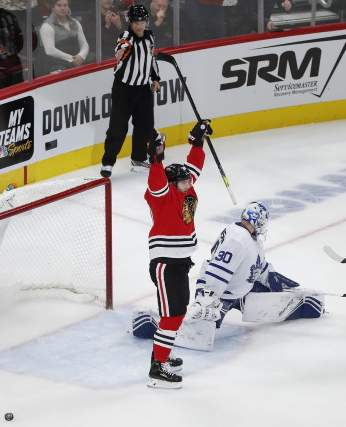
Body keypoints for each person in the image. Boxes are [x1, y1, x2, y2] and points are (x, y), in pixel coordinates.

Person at [132, 202, 327, 356]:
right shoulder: (237, 239)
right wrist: (207, 298)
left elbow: (255, 266)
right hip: (221, 294)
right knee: (201, 336)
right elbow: (218, 270)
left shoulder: (252, 238)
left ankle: (304, 304)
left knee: (273, 300)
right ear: (258, 220)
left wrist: (271, 277)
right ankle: (151, 321)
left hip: (242, 289)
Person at [143, 120, 212, 389]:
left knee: (177, 312)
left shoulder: (187, 187)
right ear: (172, 183)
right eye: (182, 181)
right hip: (165, 264)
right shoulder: (161, 195)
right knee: (172, 316)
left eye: (188, 180)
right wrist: (156, 158)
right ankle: (157, 370)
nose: (188, 183)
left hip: (180, 263)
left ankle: (163, 355)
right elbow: (157, 180)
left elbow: (194, 166)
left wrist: (197, 141)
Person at [99, 4, 159, 178]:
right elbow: (122, 45)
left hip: (143, 89)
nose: (139, 26)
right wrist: (121, 51)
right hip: (124, 89)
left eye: (142, 22)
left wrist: (155, 78)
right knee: (118, 127)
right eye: (136, 23)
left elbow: (151, 58)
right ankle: (108, 162)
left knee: (145, 125)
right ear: (130, 23)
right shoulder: (126, 35)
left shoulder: (150, 36)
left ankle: (138, 159)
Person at [39, 0, 90, 73]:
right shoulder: (47, 26)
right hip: (57, 62)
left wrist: (81, 56)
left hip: (76, 56)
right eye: (59, 5)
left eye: (65, 5)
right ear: (53, 7)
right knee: (59, 70)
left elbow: (84, 44)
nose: (62, 8)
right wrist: (72, 59)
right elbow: (50, 51)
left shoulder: (75, 23)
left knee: (94, 58)